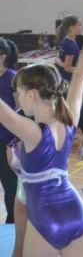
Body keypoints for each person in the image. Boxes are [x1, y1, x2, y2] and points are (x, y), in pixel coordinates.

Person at [0, 0, 83, 256]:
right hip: (75, 209)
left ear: (31, 95)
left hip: (45, 215)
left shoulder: (33, 132)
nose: (17, 99)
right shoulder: (69, 118)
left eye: (18, 94)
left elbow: (3, 113)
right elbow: (81, 74)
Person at [0, 37, 19, 224]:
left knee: (9, 182)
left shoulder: (13, 78)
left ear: (2, 56)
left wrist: (16, 140)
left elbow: (20, 110)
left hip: (6, 139)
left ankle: (14, 221)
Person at [54, 15, 81, 82]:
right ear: (71, 28)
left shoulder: (64, 41)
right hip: (70, 79)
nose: (81, 27)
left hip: (63, 77)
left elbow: (57, 58)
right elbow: (68, 68)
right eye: (79, 25)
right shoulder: (71, 45)